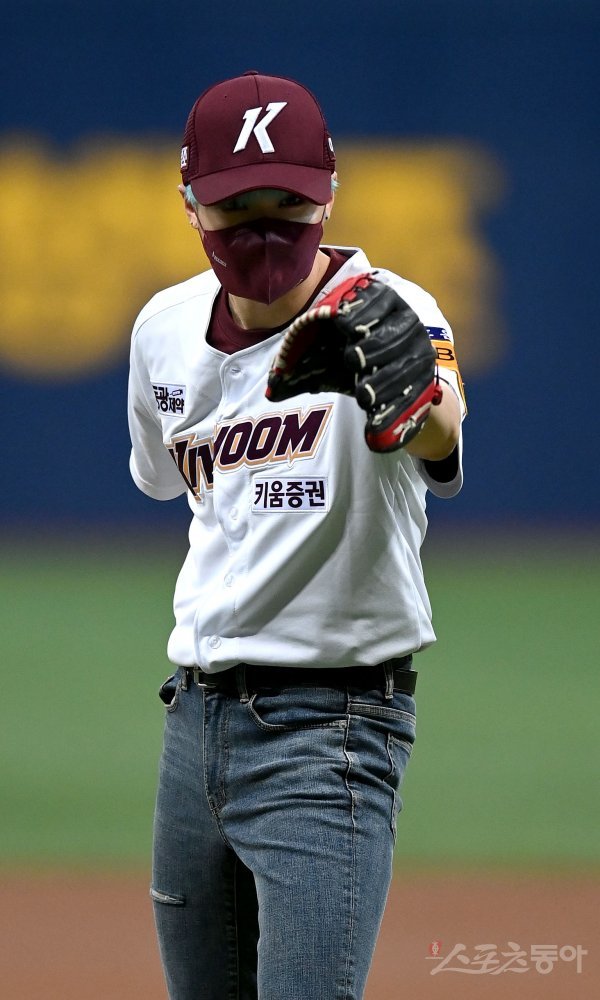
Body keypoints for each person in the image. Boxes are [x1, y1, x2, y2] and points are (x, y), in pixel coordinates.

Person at [127, 70, 465, 1000]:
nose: (265, 228)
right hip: (193, 726)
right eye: (237, 206)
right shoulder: (162, 331)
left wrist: (415, 397)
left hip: (330, 733)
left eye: (289, 202)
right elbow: (166, 476)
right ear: (189, 201)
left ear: (330, 195)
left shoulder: (390, 313)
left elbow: (443, 423)